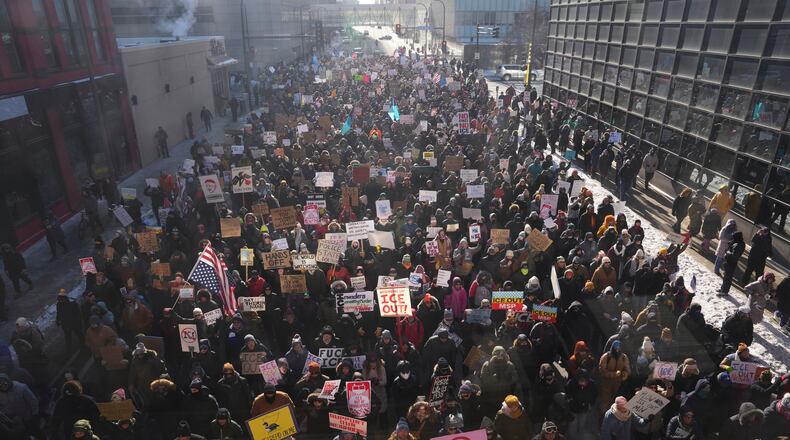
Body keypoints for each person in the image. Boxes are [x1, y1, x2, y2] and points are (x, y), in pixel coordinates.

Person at [717, 231, 744, 296]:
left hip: (731, 263)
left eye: (734, 237)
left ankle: (725, 291)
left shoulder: (739, 245)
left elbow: (734, 255)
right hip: (729, 262)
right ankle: (723, 288)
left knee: (728, 277)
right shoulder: (737, 242)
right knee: (726, 276)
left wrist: (727, 252)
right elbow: (731, 245)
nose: (732, 238)